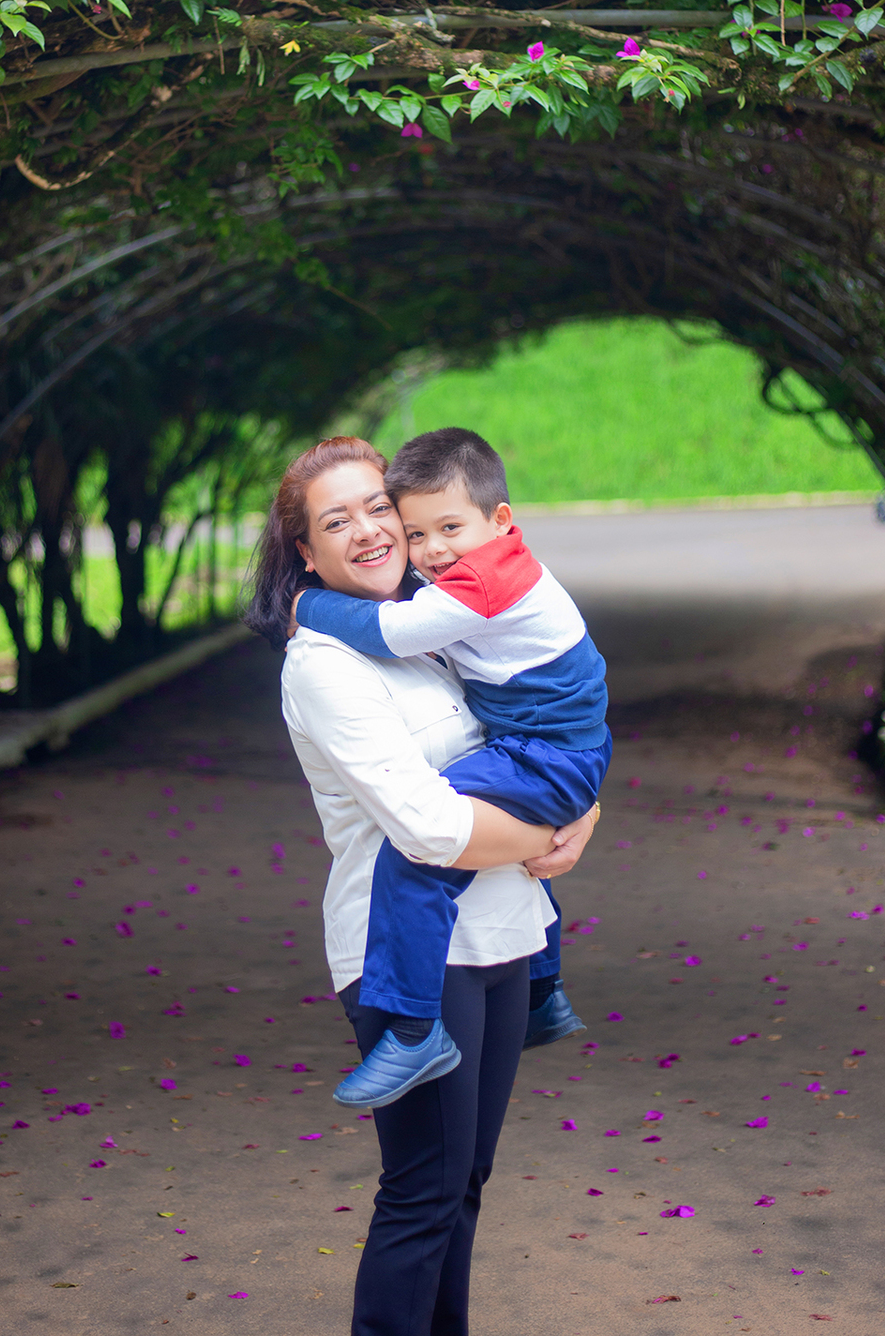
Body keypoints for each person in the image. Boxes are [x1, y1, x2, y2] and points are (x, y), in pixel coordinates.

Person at [244, 436, 598, 1336]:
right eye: (337, 522)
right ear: (306, 554)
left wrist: (583, 809)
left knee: (463, 1184)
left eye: (379, 510)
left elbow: (532, 733)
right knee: (423, 1190)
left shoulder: (443, 620)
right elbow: (430, 827)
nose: (370, 531)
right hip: (408, 956)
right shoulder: (325, 662)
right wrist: (553, 828)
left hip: (502, 932)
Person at [293, 427, 610, 1108]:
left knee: (414, 864)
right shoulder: (446, 594)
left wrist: (305, 604)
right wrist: (567, 819)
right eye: (418, 532)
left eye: (447, 528)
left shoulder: (470, 590)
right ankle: (538, 993)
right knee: (424, 848)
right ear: (306, 550)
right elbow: (433, 826)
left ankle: (416, 1031)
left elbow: (390, 633)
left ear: (500, 520)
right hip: (555, 756)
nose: (432, 548)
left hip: (544, 756)